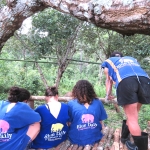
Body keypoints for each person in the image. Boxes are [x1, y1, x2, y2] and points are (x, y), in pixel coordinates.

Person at [101, 51, 150, 150]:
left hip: (127, 82)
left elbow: (109, 81)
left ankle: (141, 148)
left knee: (132, 118)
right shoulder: (131, 59)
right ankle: (124, 138)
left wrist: (108, 95)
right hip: (145, 81)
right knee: (134, 114)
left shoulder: (109, 62)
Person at [68, 80, 107, 147]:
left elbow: (68, 123)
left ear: (76, 91)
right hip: (95, 138)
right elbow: (100, 122)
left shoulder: (71, 104)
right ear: (91, 91)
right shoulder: (98, 103)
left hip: (76, 139)